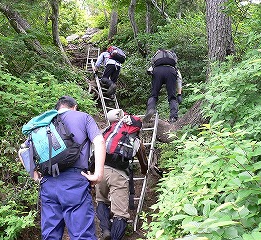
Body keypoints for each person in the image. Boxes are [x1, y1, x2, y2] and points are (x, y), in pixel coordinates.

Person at [39, 95, 106, 240]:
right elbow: (99, 141)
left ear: (58, 108)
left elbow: (23, 151)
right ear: (74, 107)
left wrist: (34, 175)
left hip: (48, 182)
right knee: (82, 234)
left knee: (50, 235)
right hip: (74, 181)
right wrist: (98, 174)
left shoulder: (45, 121)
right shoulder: (83, 117)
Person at [94, 109, 138, 240]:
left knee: (101, 200)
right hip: (119, 174)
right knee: (120, 214)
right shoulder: (132, 136)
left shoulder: (106, 132)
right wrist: (144, 168)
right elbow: (141, 158)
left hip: (101, 171)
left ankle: (106, 230)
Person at [143, 48, 183, 123]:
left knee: (154, 95)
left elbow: (150, 68)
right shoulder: (173, 63)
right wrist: (179, 94)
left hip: (157, 71)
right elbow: (179, 79)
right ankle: (173, 117)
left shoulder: (157, 55)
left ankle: (150, 109)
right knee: (172, 97)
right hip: (171, 71)